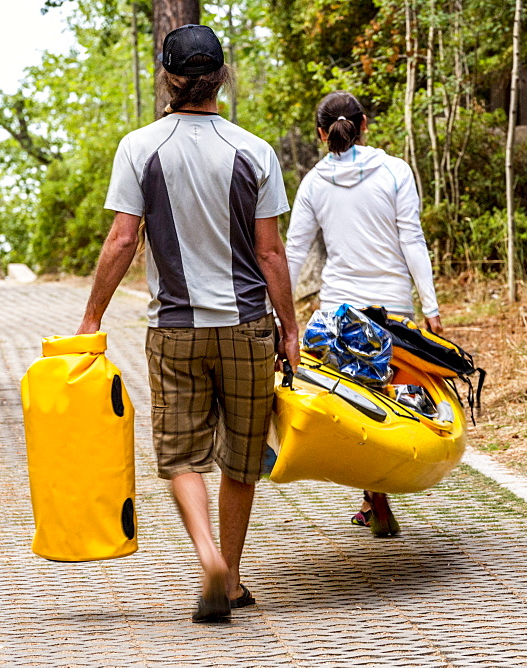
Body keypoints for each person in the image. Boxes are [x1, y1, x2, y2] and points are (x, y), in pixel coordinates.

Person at [75, 24, 300, 622]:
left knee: (180, 457)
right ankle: (229, 577)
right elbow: (272, 254)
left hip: (174, 330)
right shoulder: (254, 151)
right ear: (221, 76)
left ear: (168, 78)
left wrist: (91, 316)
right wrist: (292, 328)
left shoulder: (139, 147)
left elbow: (124, 238)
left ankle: (207, 557)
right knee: (242, 459)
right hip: (249, 327)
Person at [286, 90, 442, 538]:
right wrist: (430, 308)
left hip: (340, 310)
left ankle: (374, 498)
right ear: (365, 124)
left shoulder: (314, 182)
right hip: (393, 305)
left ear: (321, 134)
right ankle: (379, 495)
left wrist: (282, 314)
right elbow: (412, 239)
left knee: (355, 408)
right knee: (394, 402)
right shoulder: (395, 171)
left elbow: (295, 249)